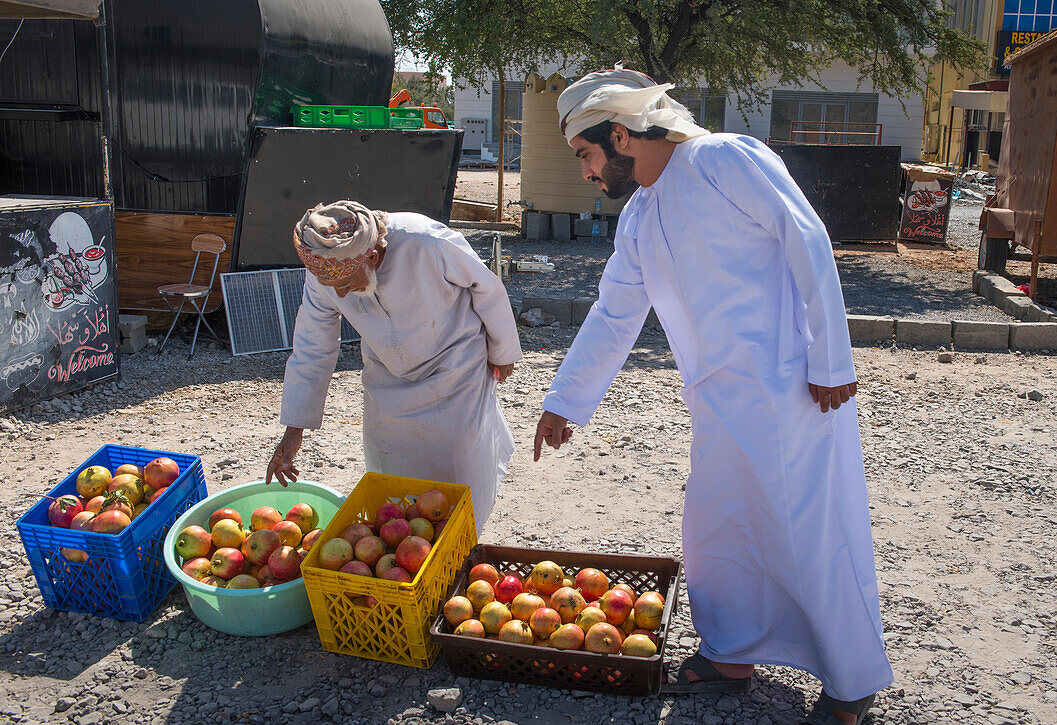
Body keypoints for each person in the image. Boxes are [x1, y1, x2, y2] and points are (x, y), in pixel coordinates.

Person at [532, 69, 892, 725]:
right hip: (717, 402)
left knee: (807, 536)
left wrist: (830, 354)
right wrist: (565, 400)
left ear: (619, 135)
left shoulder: (724, 157)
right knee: (715, 533)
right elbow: (615, 314)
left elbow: (804, 237)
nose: (587, 172)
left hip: (792, 392)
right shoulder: (640, 215)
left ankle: (850, 684)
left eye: (586, 154)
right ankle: (730, 652)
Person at [268, 201, 521, 532]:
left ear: (372, 256)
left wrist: (502, 352)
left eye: (346, 283)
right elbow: (312, 348)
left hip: (456, 367)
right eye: (333, 286)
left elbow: (487, 288)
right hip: (387, 374)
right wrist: (293, 431)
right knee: (389, 470)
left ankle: (460, 545)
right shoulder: (326, 269)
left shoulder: (425, 241)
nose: (340, 293)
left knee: (463, 470)